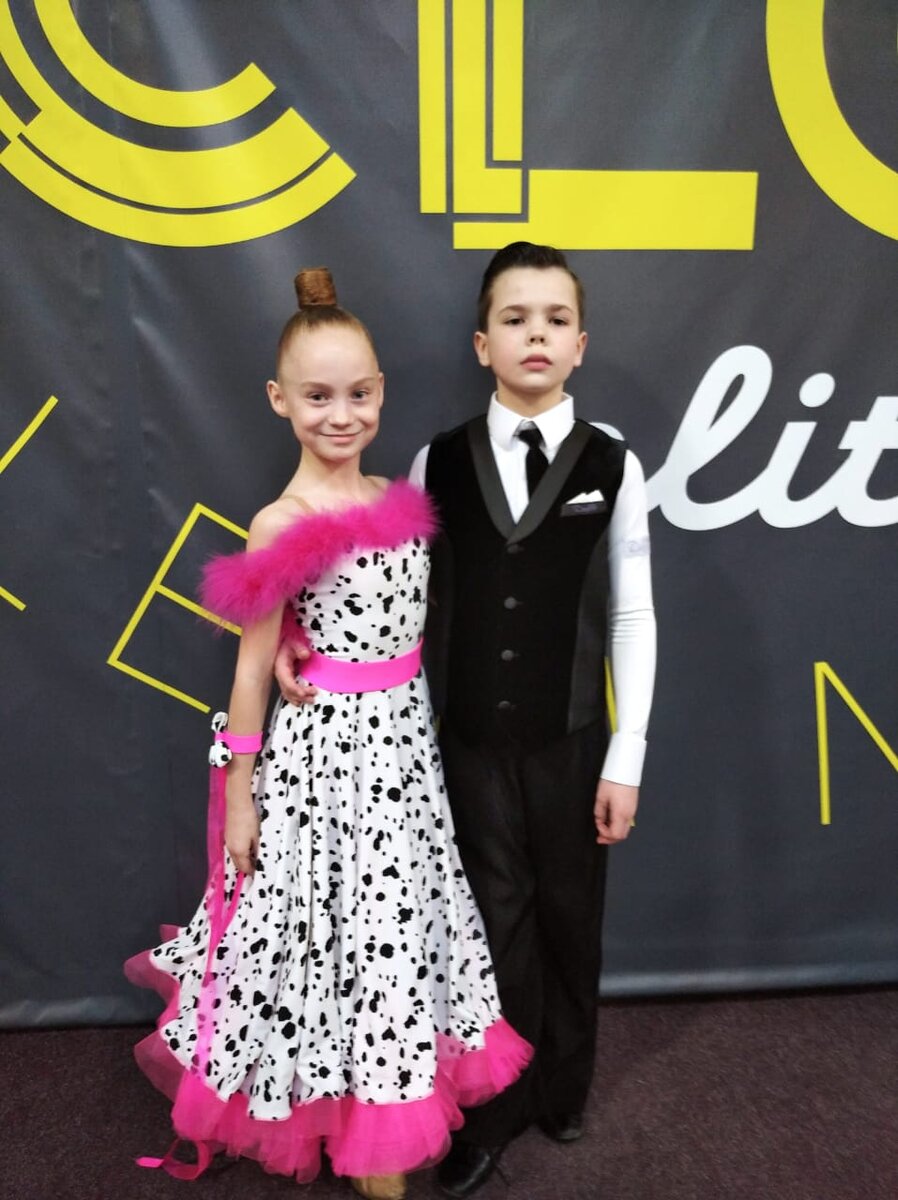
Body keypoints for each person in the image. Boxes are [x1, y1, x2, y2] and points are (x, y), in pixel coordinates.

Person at [125, 267, 531, 1200]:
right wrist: (240, 796)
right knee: (327, 940)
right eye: (317, 397)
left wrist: (304, 645)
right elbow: (247, 669)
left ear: (380, 391)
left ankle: (383, 1111)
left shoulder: (394, 497)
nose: (340, 415)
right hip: (324, 773)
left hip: (402, 761)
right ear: (280, 400)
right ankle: (358, 1135)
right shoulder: (283, 522)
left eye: (357, 394)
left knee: (390, 935)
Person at [276, 242, 657, 1198]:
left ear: (580, 343)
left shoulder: (614, 462)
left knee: (571, 917)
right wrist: (291, 631)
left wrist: (627, 754)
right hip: (463, 745)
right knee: (488, 924)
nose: (537, 335)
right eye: (515, 319)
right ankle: (491, 1112)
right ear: (482, 344)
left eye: (556, 319)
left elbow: (633, 614)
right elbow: (379, 582)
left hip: (572, 739)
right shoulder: (434, 461)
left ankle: (564, 1090)